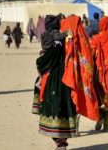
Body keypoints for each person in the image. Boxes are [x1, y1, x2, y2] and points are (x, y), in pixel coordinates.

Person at [34, 15, 75, 149]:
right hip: (62, 76)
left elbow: (42, 62)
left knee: (50, 103)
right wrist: (67, 34)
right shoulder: (59, 40)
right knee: (62, 107)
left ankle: (60, 143)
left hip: (50, 74)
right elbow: (59, 39)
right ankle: (61, 142)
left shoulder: (46, 35)